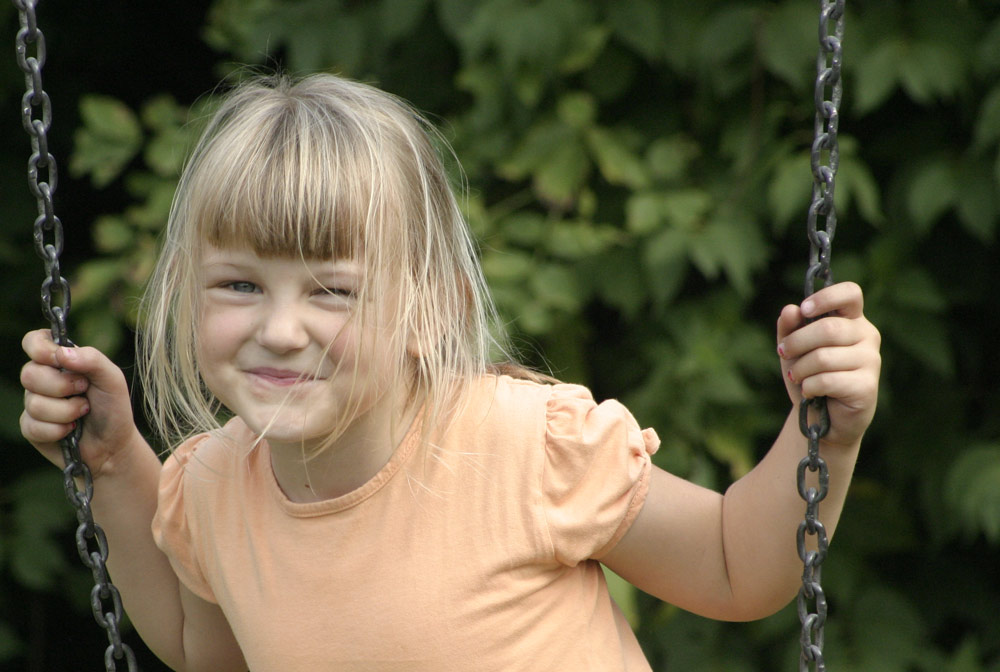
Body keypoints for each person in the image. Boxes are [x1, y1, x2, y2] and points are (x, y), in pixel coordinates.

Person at [19, 73, 880, 672]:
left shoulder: (521, 447)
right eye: (241, 285)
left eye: (333, 291)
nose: (281, 330)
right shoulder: (213, 486)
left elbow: (737, 566)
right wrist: (114, 463)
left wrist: (826, 439)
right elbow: (204, 648)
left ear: (430, 308)